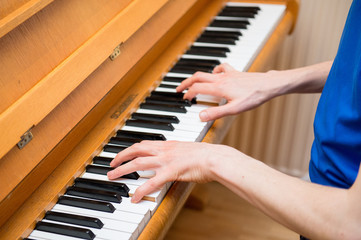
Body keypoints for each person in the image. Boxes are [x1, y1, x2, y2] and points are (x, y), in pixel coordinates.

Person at [108, 0, 361, 239]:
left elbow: (351, 224)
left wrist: (212, 159)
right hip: (327, 180)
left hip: (329, 211)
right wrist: (273, 80)